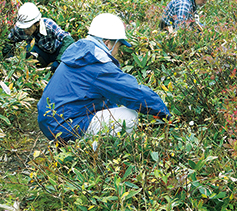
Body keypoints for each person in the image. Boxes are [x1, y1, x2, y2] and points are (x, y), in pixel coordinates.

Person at [37, 13, 171, 142]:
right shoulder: (96, 63)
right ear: (107, 43)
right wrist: (163, 113)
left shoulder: (80, 54)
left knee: (111, 107)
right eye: (119, 45)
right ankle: (94, 152)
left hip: (51, 122)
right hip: (64, 128)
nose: (119, 52)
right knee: (129, 117)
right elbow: (132, 92)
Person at [2, 2, 74, 72]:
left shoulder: (48, 24)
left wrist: (58, 61)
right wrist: (8, 59)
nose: (25, 31)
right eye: (24, 28)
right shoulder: (20, 29)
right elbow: (9, 42)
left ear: (37, 23)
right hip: (42, 54)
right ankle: (41, 68)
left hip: (56, 51)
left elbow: (68, 39)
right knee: (28, 49)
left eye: (28, 28)